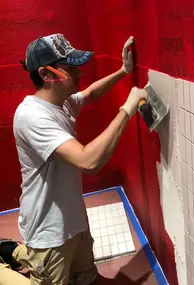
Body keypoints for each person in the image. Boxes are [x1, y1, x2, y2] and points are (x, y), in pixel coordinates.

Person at [11, 33, 147, 285]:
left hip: (74, 223)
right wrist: (127, 109)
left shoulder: (61, 102)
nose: (78, 73)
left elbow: (89, 94)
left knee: (86, 279)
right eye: (71, 68)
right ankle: (13, 254)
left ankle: (15, 251)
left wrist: (123, 71)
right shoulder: (32, 116)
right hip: (48, 234)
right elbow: (88, 161)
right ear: (47, 74)